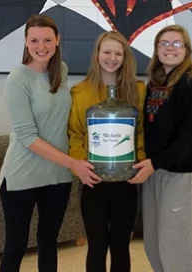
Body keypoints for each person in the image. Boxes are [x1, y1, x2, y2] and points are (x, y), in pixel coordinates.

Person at [0, 14, 99, 272]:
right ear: (25, 42)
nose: (41, 46)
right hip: (22, 173)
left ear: (57, 40)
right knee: (16, 244)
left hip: (57, 175)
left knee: (48, 242)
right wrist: (73, 163)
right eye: (34, 40)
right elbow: (28, 136)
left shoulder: (60, 70)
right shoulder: (17, 78)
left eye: (47, 40)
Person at [128, 24, 192, 272]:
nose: (170, 48)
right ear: (156, 49)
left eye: (176, 43)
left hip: (181, 176)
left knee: (177, 251)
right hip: (154, 173)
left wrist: (157, 162)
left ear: (186, 50)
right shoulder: (154, 84)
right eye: (164, 43)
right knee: (154, 248)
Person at [68, 31, 146, 272]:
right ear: (97, 55)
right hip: (93, 181)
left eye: (118, 53)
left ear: (125, 57)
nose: (112, 58)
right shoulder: (80, 92)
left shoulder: (139, 90)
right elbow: (76, 134)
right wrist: (80, 165)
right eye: (107, 52)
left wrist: (140, 162)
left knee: (121, 245)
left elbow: (142, 133)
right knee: (97, 244)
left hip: (127, 180)